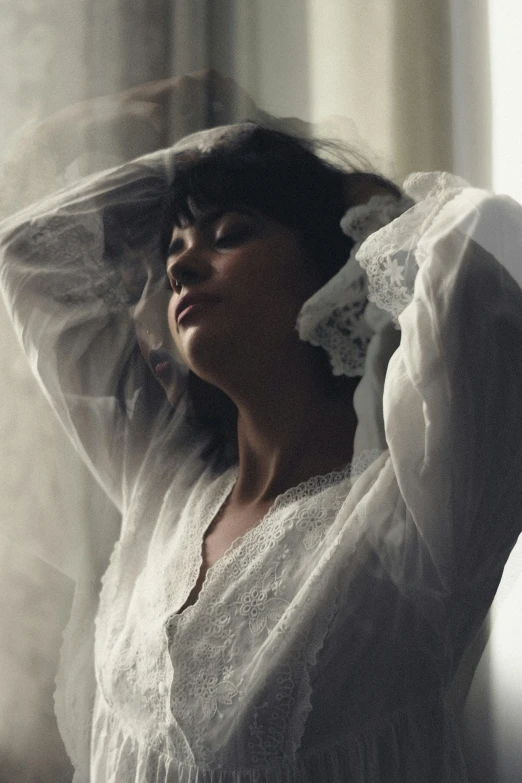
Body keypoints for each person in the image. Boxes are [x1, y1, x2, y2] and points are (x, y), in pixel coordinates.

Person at [1, 112, 522, 783]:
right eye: (174, 248)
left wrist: (346, 199)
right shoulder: (162, 482)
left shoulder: (416, 517)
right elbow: (31, 255)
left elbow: (479, 255)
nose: (182, 264)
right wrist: (191, 141)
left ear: (334, 270)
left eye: (228, 235)